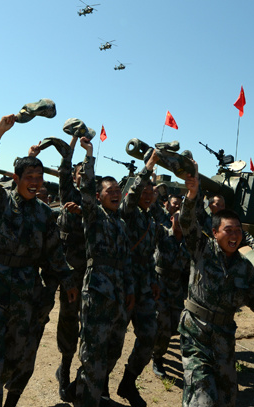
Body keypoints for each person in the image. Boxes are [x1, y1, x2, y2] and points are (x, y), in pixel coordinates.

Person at [0, 115, 76, 407]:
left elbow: (54, 253)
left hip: (27, 293)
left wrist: (65, 281)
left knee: (17, 357)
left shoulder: (44, 213)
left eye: (39, 178)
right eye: (29, 177)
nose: (35, 183)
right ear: (16, 179)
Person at [179, 160, 254, 406]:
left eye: (238, 230)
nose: (234, 235)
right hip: (196, 333)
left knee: (227, 397)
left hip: (224, 337)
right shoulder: (201, 249)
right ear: (215, 232)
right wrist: (192, 196)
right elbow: (187, 223)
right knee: (201, 396)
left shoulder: (244, 267)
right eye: (228, 230)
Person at [71, 136, 135, 407]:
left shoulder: (121, 223)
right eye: (110, 191)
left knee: (113, 351)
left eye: (118, 190)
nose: (116, 193)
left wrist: (130, 289)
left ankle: (84, 389)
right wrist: (89, 155)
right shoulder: (94, 215)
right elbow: (86, 189)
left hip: (119, 295)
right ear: (99, 196)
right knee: (92, 351)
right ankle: (86, 399)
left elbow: (127, 260)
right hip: (97, 292)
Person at [115, 150, 162, 407]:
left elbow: (149, 255)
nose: (147, 194)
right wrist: (149, 166)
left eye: (151, 192)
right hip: (123, 287)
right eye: (144, 191)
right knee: (113, 341)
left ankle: (128, 382)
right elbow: (131, 195)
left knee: (149, 336)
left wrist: (153, 279)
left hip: (143, 290)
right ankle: (98, 387)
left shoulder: (150, 220)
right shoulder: (129, 212)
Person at [54, 136, 86, 401]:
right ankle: (64, 368)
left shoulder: (99, 202)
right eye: (80, 172)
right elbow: (64, 172)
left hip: (94, 275)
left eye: (88, 172)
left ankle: (83, 374)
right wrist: (73, 142)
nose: (83, 175)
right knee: (68, 320)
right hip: (70, 272)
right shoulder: (70, 195)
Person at [150, 193, 190, 379]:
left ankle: (155, 343)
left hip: (177, 289)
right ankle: (157, 357)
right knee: (164, 325)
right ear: (171, 219)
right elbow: (153, 212)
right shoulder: (163, 234)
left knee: (175, 326)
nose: (181, 223)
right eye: (178, 219)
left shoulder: (188, 243)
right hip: (160, 285)